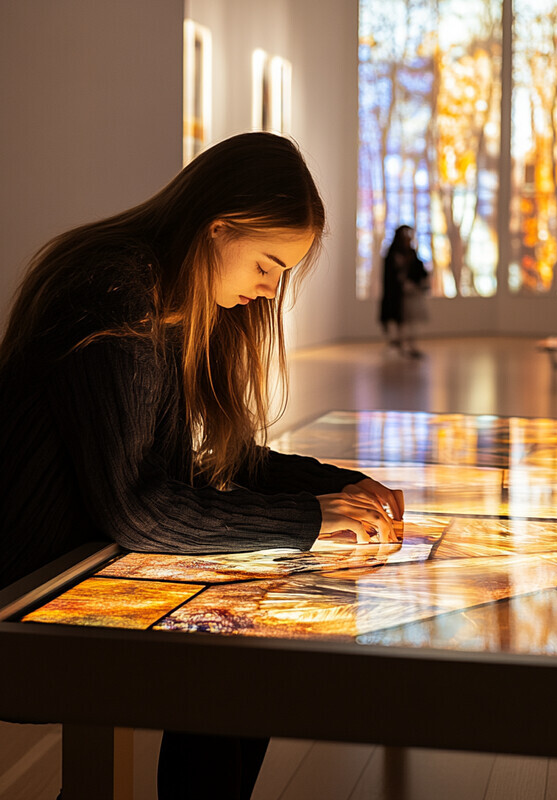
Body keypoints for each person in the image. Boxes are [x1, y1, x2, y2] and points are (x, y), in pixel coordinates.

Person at [0, 132, 404, 800]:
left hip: (86, 555)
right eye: (268, 264)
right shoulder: (113, 292)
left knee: (247, 650)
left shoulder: (174, 298)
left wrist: (335, 486)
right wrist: (308, 518)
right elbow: (138, 505)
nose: (271, 291)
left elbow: (206, 465)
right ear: (219, 228)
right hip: (31, 582)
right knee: (234, 657)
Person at [378, 225, 430, 358]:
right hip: (396, 297)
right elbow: (389, 278)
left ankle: (409, 346)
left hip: (411, 296)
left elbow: (419, 272)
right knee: (397, 322)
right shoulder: (392, 255)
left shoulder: (412, 254)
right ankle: (397, 345)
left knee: (410, 322)